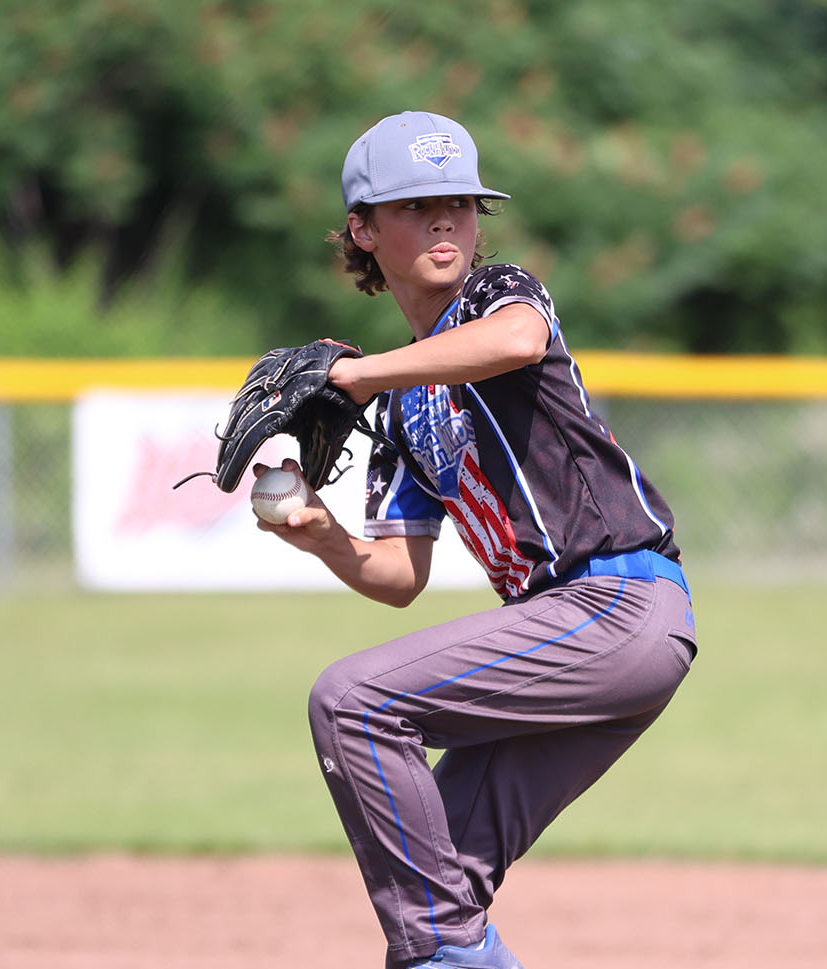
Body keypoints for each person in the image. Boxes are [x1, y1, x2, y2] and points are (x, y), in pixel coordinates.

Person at [253, 110, 696, 969]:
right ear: (363, 229)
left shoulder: (500, 296)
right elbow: (397, 575)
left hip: (620, 604)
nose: (448, 217)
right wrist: (321, 533)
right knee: (432, 889)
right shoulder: (405, 400)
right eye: (418, 203)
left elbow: (516, 341)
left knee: (352, 701)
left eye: (460, 199)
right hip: (572, 639)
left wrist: (350, 375)